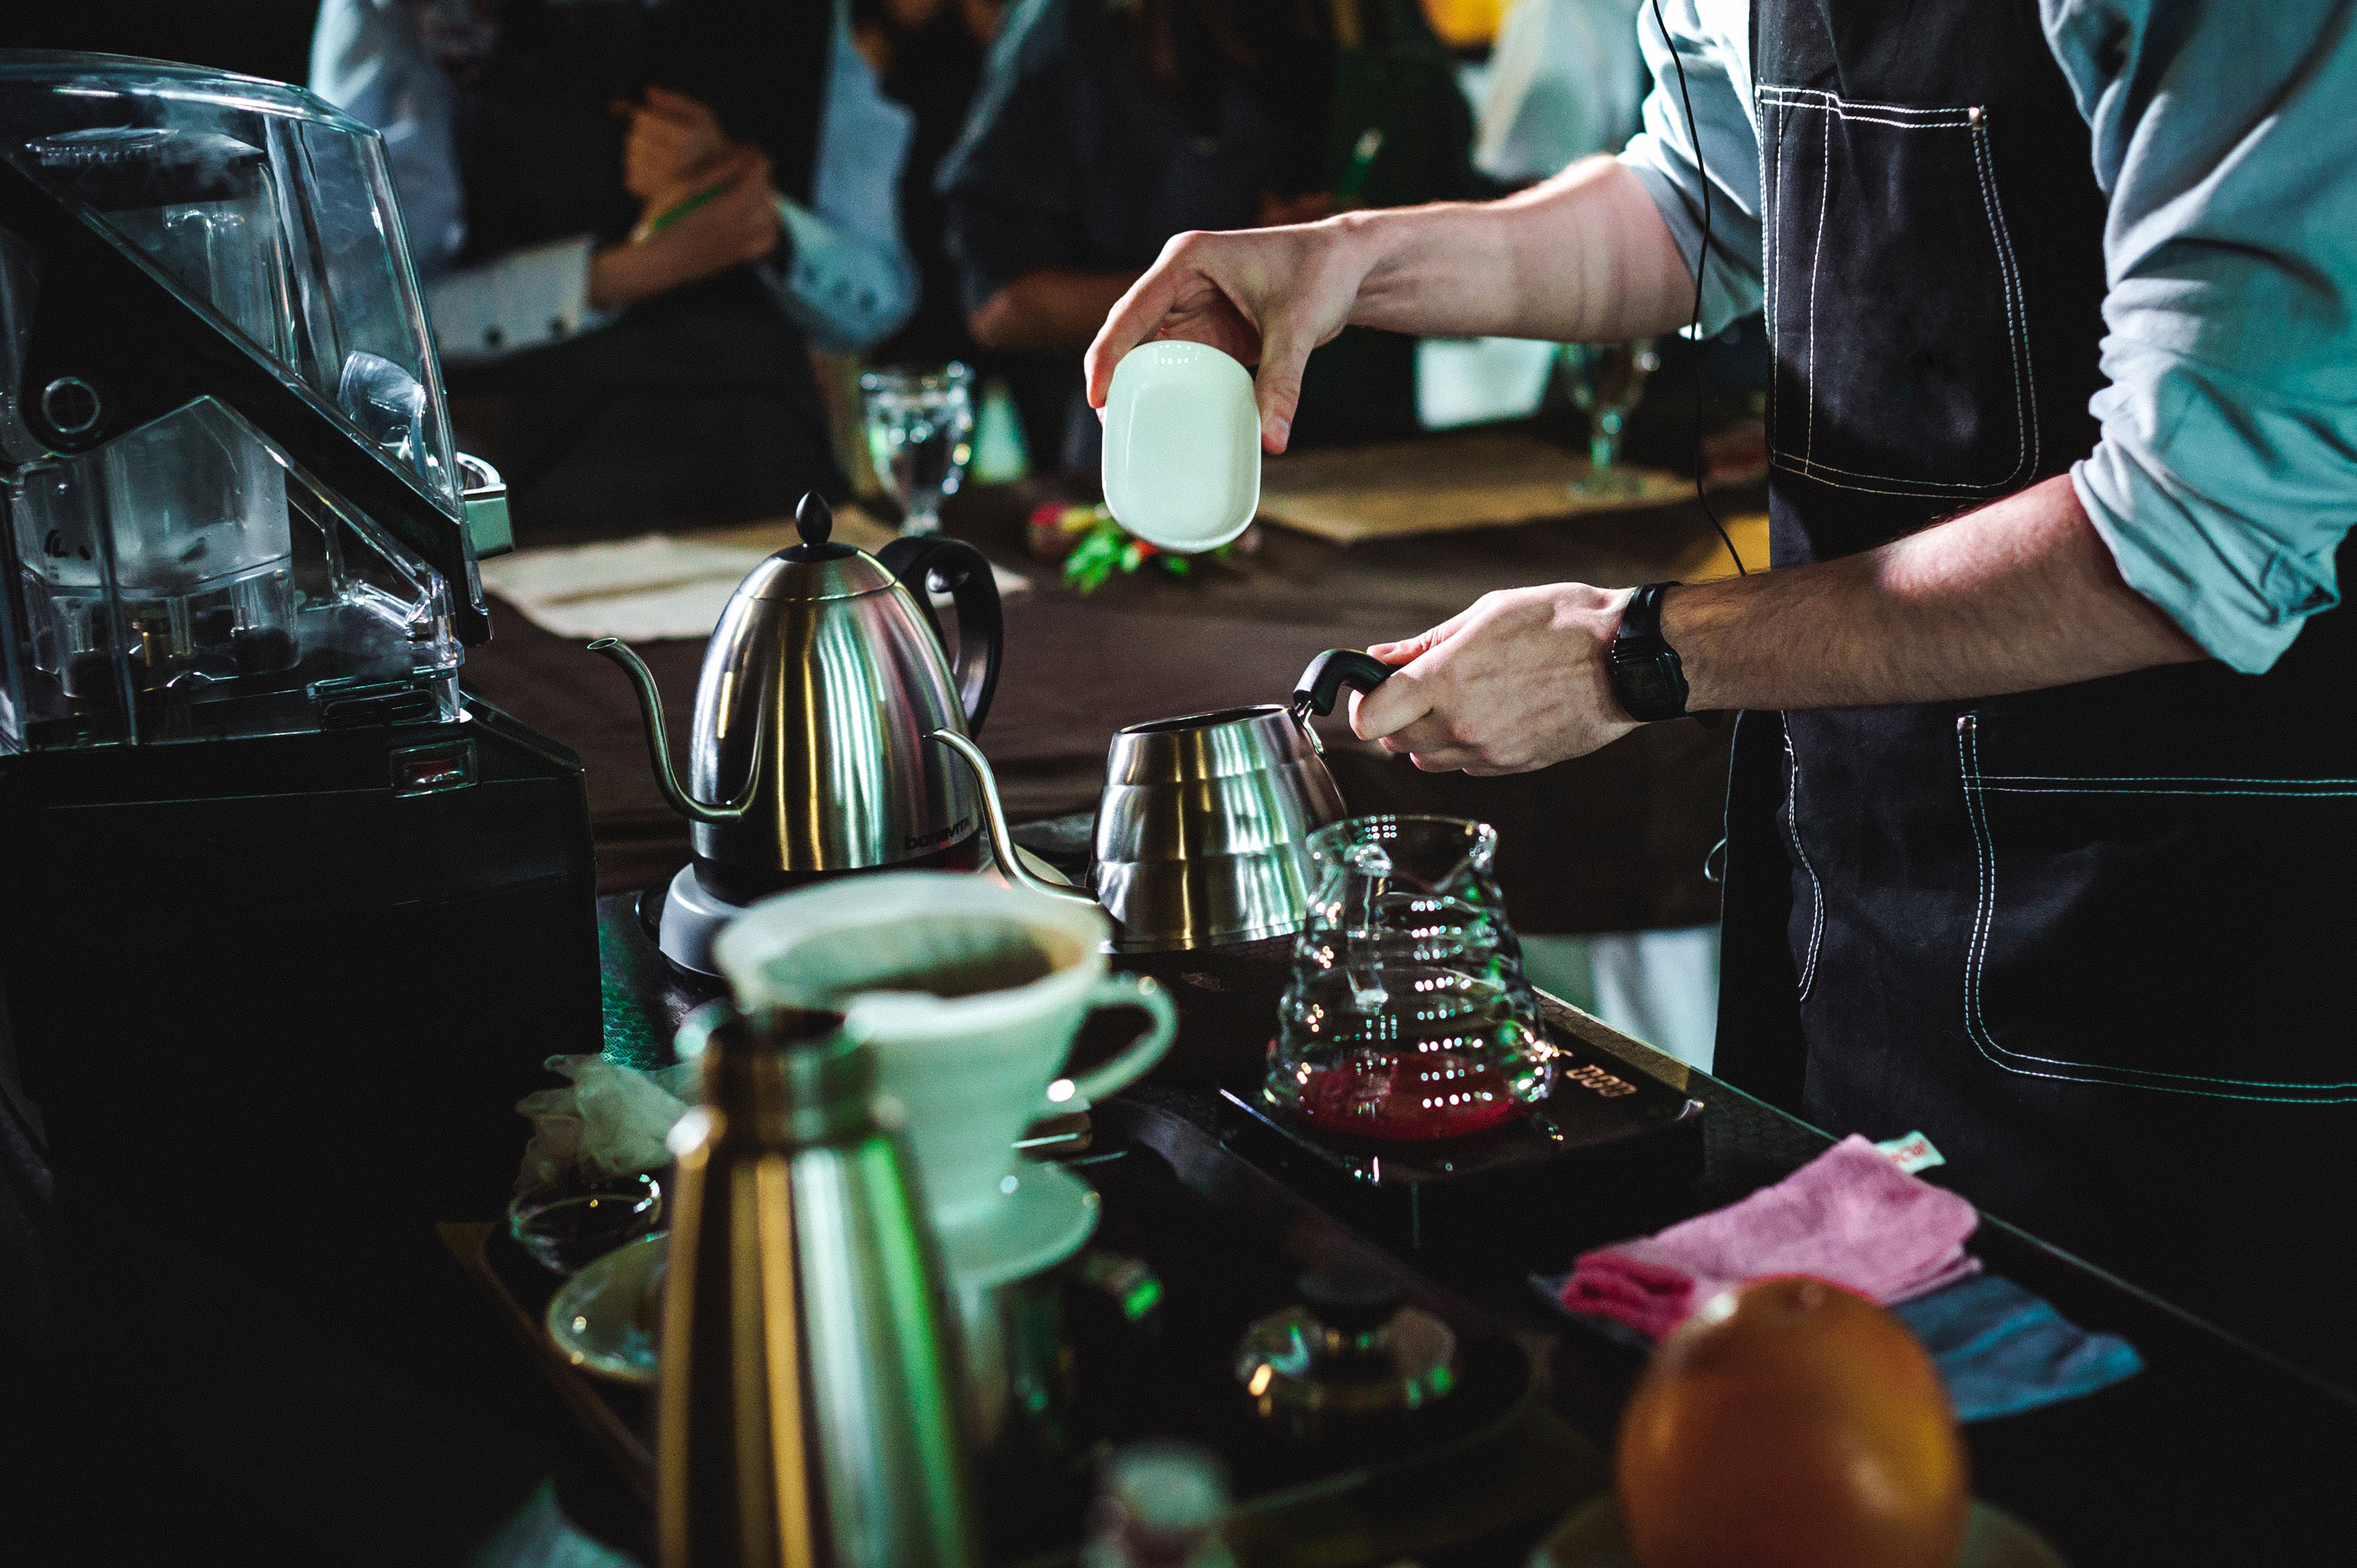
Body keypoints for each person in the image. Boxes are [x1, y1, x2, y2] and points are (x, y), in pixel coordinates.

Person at [1087, 0, 2357, 1379]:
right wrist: (1347, 264)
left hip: (2194, 929)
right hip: (1882, 865)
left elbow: (2201, 524)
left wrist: (1639, 653)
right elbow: (1699, 201)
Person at [312, 0, 918, 532]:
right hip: (544, 481)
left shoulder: (806, 16)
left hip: (775, 475)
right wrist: (622, 275)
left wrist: (756, 216)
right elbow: (367, 319)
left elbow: (879, 301)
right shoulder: (398, 13)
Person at [940, 0, 1487, 463]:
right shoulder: (1078, 23)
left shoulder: (1382, 17)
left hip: (1371, 467)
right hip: (1161, 466)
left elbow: (1471, 264)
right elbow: (999, 307)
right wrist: (1227, 280)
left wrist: (1376, 246)